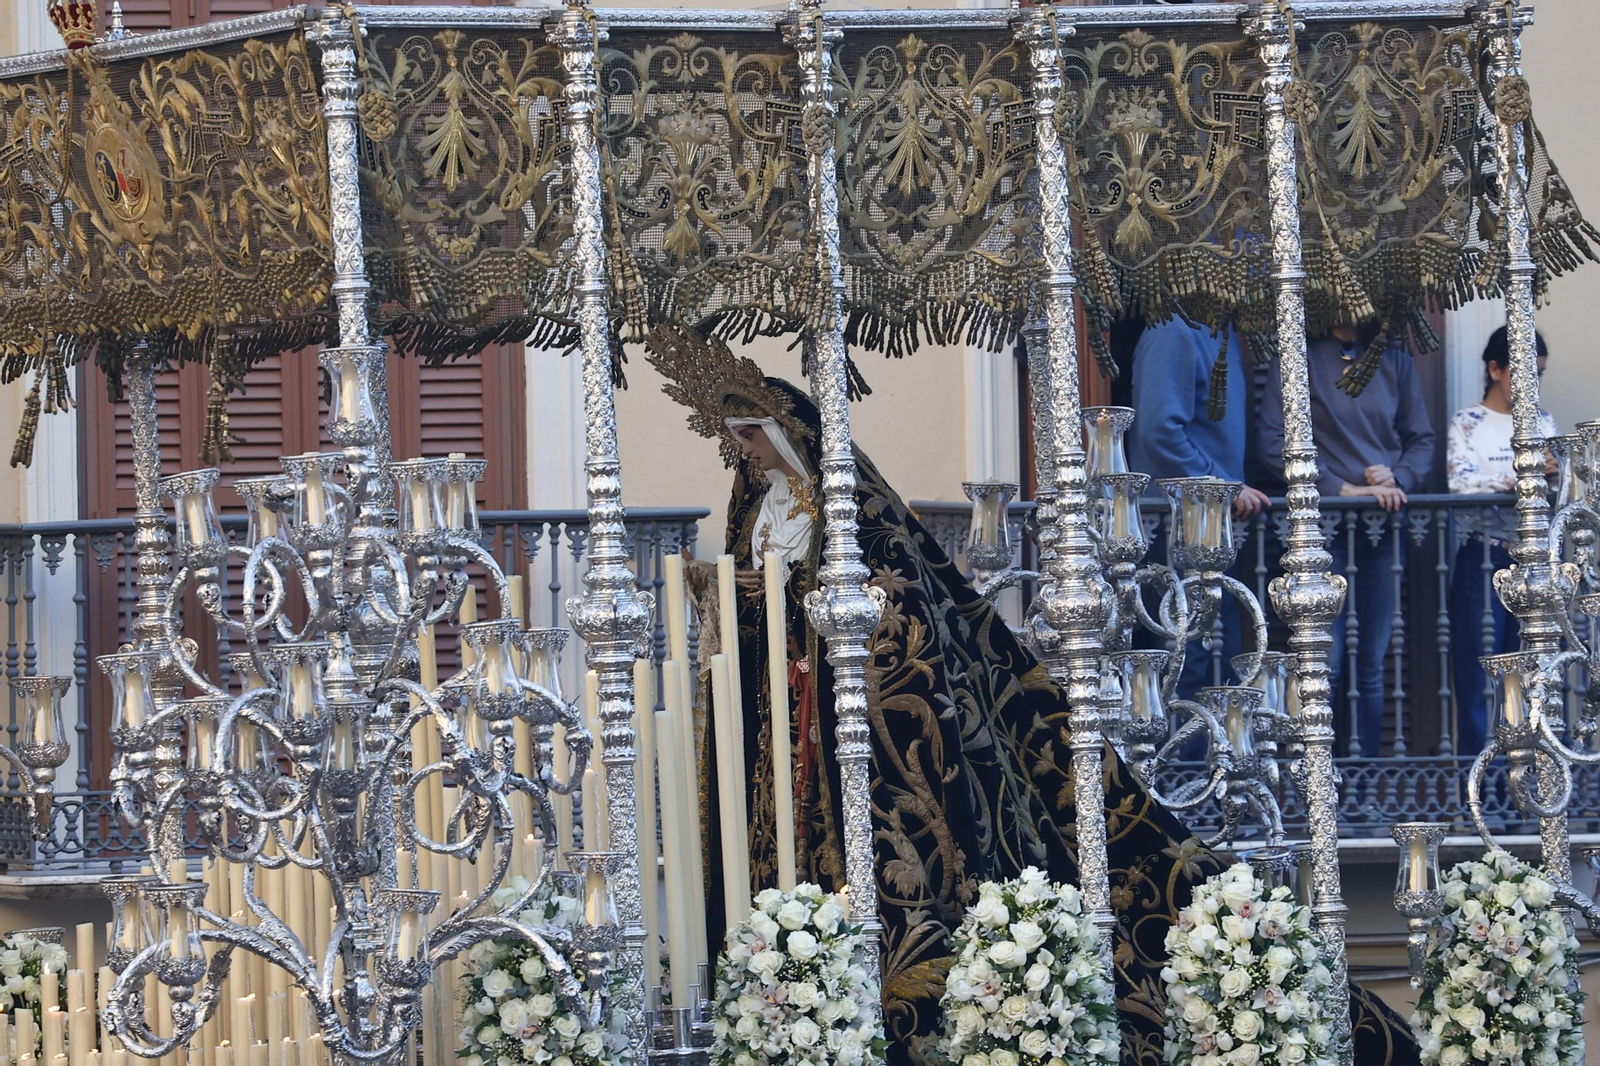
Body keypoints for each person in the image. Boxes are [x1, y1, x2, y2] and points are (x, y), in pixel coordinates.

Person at [647, 322, 1418, 1066]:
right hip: (779, 715)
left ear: (789, 434)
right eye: (739, 440)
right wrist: (731, 593)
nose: (746, 453)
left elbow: (897, 607)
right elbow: (748, 598)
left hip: (844, 717)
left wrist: (808, 598)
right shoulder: (753, 506)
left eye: (754, 435)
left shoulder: (856, 516)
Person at [1257, 324, 1436, 758]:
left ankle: (1362, 781)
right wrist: (1339, 488)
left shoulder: (1394, 359)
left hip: (1382, 526)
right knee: (1325, 664)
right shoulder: (1299, 360)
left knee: (1372, 665)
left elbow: (1421, 441)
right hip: (1322, 529)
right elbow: (1272, 442)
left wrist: (1398, 478)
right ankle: (1319, 778)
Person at [1128, 316, 1271, 699]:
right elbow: (1161, 430)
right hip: (1176, 524)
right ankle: (1182, 761)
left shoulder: (1219, 331)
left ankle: (1216, 757)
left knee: (1214, 658)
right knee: (1188, 659)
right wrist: (1218, 484)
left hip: (1208, 523)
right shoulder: (1172, 331)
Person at [1446, 326, 1558, 759]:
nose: (1532, 385)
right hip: (1483, 554)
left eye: (1539, 376)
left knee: (1531, 672)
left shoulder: (1543, 422)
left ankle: (1525, 788)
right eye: (1524, 374)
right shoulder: (1467, 422)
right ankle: (1482, 792)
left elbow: (1560, 489)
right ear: (1495, 369)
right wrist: (1520, 478)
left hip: (1533, 561)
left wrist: (1554, 475)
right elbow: (1461, 483)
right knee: (1477, 674)